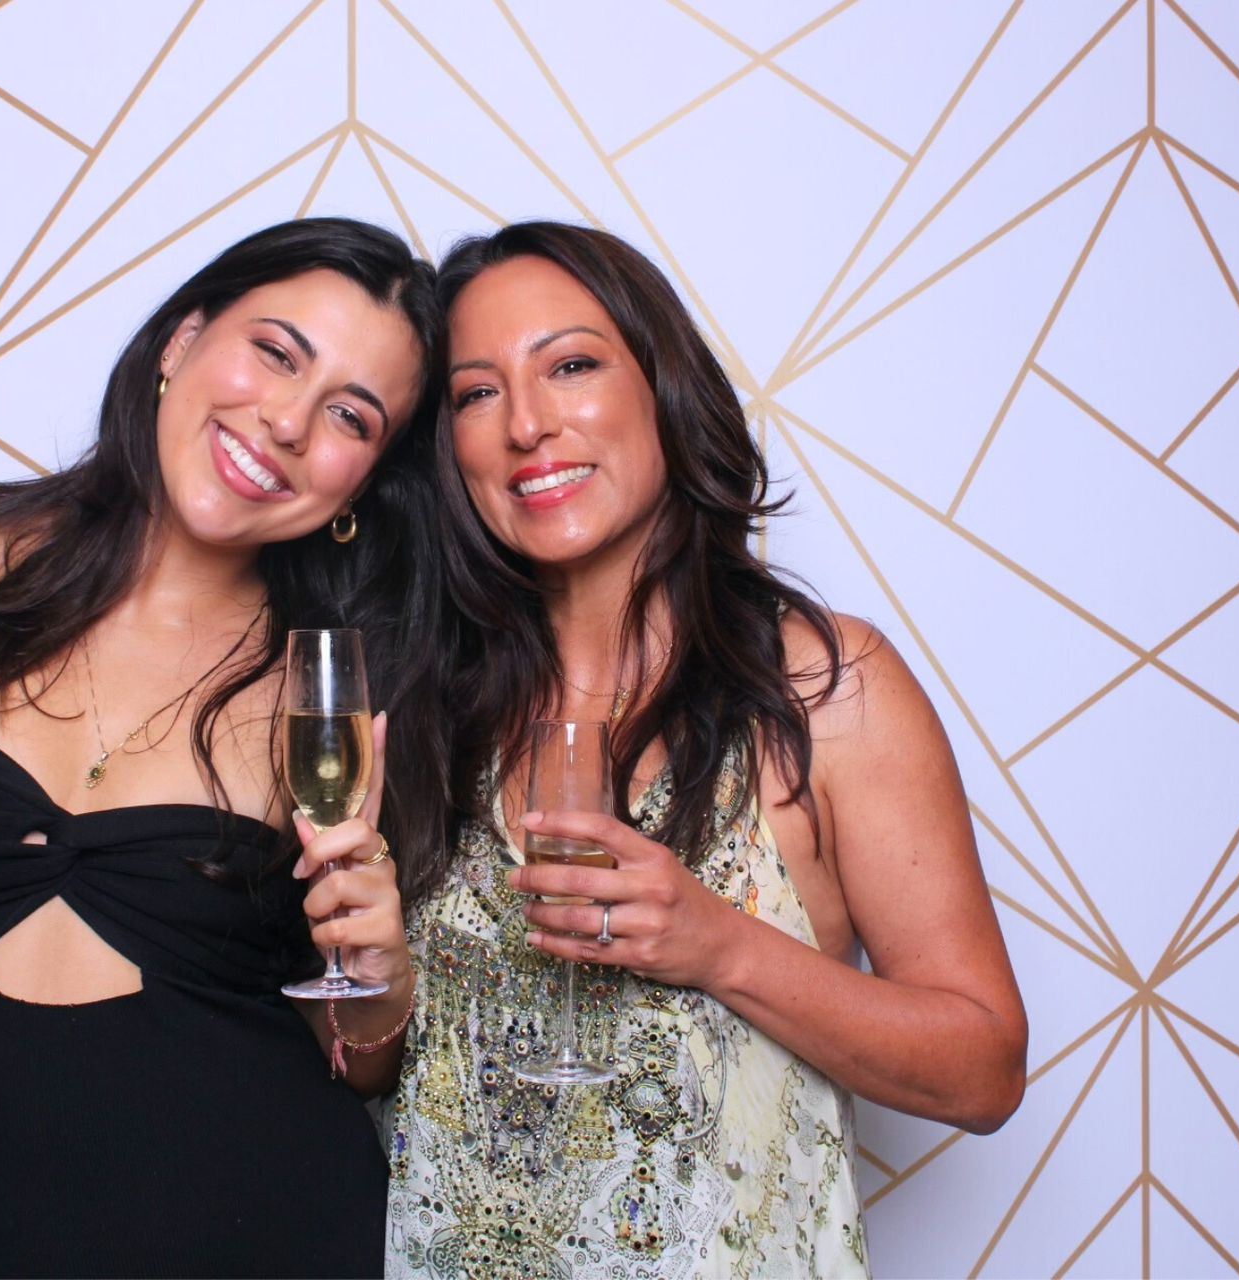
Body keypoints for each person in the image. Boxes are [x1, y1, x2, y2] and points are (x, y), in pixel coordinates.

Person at [0, 218, 443, 1279]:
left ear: (361, 484)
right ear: (181, 338)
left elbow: (355, 1062)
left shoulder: (330, 696)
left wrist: (381, 976)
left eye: (350, 415)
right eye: (275, 350)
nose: (288, 421)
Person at [383, 222, 1028, 1279]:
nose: (529, 425)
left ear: (664, 388)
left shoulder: (824, 686)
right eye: (477, 393)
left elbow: (984, 1066)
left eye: (572, 365)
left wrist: (720, 944)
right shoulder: (429, 709)